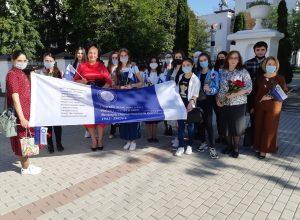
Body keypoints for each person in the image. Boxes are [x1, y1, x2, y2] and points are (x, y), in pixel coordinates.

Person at [6, 51, 42, 175]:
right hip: (20, 115)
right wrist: (21, 117)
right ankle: (25, 168)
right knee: (22, 141)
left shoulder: (21, 73)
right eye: (19, 60)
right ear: (13, 60)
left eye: (24, 60)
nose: (22, 63)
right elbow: (15, 97)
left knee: (26, 141)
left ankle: (27, 166)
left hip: (27, 113)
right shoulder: (12, 75)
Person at [74, 45, 112, 151]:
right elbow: (75, 80)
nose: (92, 55)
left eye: (94, 53)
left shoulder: (101, 66)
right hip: (86, 97)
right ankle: (93, 140)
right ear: (88, 54)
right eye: (90, 53)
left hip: (99, 96)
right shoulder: (82, 66)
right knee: (88, 119)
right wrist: (83, 81)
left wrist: (101, 91)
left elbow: (109, 81)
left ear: (97, 55)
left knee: (100, 119)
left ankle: (100, 140)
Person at [217, 51, 252, 158]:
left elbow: (249, 88)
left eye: (236, 58)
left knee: (236, 127)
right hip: (224, 103)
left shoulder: (243, 71)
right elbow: (218, 87)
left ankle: (236, 148)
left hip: (238, 104)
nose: (233, 60)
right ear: (227, 59)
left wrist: (234, 94)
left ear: (239, 59)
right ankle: (229, 146)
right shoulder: (222, 71)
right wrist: (217, 99)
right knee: (226, 126)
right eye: (231, 57)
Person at [253, 57, 287, 159]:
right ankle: (258, 146)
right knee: (259, 126)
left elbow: (284, 92)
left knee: (269, 128)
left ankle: (264, 150)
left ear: (276, 66)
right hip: (260, 106)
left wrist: (271, 96)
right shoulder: (260, 78)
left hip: (274, 107)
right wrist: (252, 106)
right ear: (265, 65)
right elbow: (255, 92)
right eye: (269, 64)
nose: (270, 66)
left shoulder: (280, 78)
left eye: (273, 64)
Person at [115, 48, 143, 151]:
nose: (123, 57)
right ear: (119, 57)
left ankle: (133, 141)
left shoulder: (134, 67)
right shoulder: (117, 69)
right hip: (122, 98)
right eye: (121, 56)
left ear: (128, 56)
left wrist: (132, 85)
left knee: (133, 119)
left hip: (132, 97)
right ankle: (127, 140)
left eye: (125, 55)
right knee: (124, 120)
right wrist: (120, 87)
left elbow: (141, 82)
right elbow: (114, 85)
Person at [37, 53, 64, 153]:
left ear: (54, 61)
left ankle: (59, 143)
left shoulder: (58, 72)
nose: (48, 62)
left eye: (50, 61)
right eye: (46, 60)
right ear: (43, 61)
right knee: (47, 127)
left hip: (56, 103)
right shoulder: (39, 73)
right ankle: (50, 145)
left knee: (57, 126)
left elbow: (61, 86)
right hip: (44, 104)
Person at [195, 53, 219, 159]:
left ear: (208, 60)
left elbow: (217, 87)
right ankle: (203, 142)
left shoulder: (214, 73)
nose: (203, 62)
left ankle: (212, 147)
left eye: (204, 60)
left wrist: (210, 90)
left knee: (209, 124)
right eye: (200, 60)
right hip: (198, 101)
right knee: (200, 123)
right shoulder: (197, 73)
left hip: (208, 100)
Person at [175, 58, 200, 156]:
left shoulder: (195, 79)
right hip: (180, 105)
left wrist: (191, 102)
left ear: (192, 65)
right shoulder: (181, 76)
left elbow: (195, 94)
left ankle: (189, 145)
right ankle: (181, 146)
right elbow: (177, 90)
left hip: (190, 105)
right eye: (184, 65)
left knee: (190, 127)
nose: (185, 67)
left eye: (188, 65)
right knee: (180, 127)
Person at [244, 41, 268, 145]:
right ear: (254, 50)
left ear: (266, 50)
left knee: (264, 120)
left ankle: (262, 142)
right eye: (258, 50)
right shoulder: (248, 63)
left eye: (262, 49)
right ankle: (253, 141)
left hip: (265, 95)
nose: (260, 52)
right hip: (252, 95)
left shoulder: (269, 63)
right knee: (253, 118)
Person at [145, 57, 161, 143]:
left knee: (155, 118)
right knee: (148, 119)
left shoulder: (160, 74)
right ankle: (149, 136)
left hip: (157, 98)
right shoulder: (145, 73)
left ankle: (154, 136)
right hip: (147, 98)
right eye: (152, 62)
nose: (153, 63)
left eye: (155, 62)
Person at [160, 53, 174, 136]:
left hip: (172, 93)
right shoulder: (162, 68)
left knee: (171, 111)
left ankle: (171, 128)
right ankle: (166, 127)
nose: (168, 59)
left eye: (169, 57)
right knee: (165, 111)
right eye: (166, 57)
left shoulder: (173, 68)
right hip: (163, 93)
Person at [108, 51, 120, 139]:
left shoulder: (121, 67)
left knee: (119, 110)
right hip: (110, 91)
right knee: (112, 112)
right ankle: (112, 131)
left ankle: (122, 129)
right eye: (113, 58)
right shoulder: (108, 68)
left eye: (116, 58)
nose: (115, 59)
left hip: (120, 91)